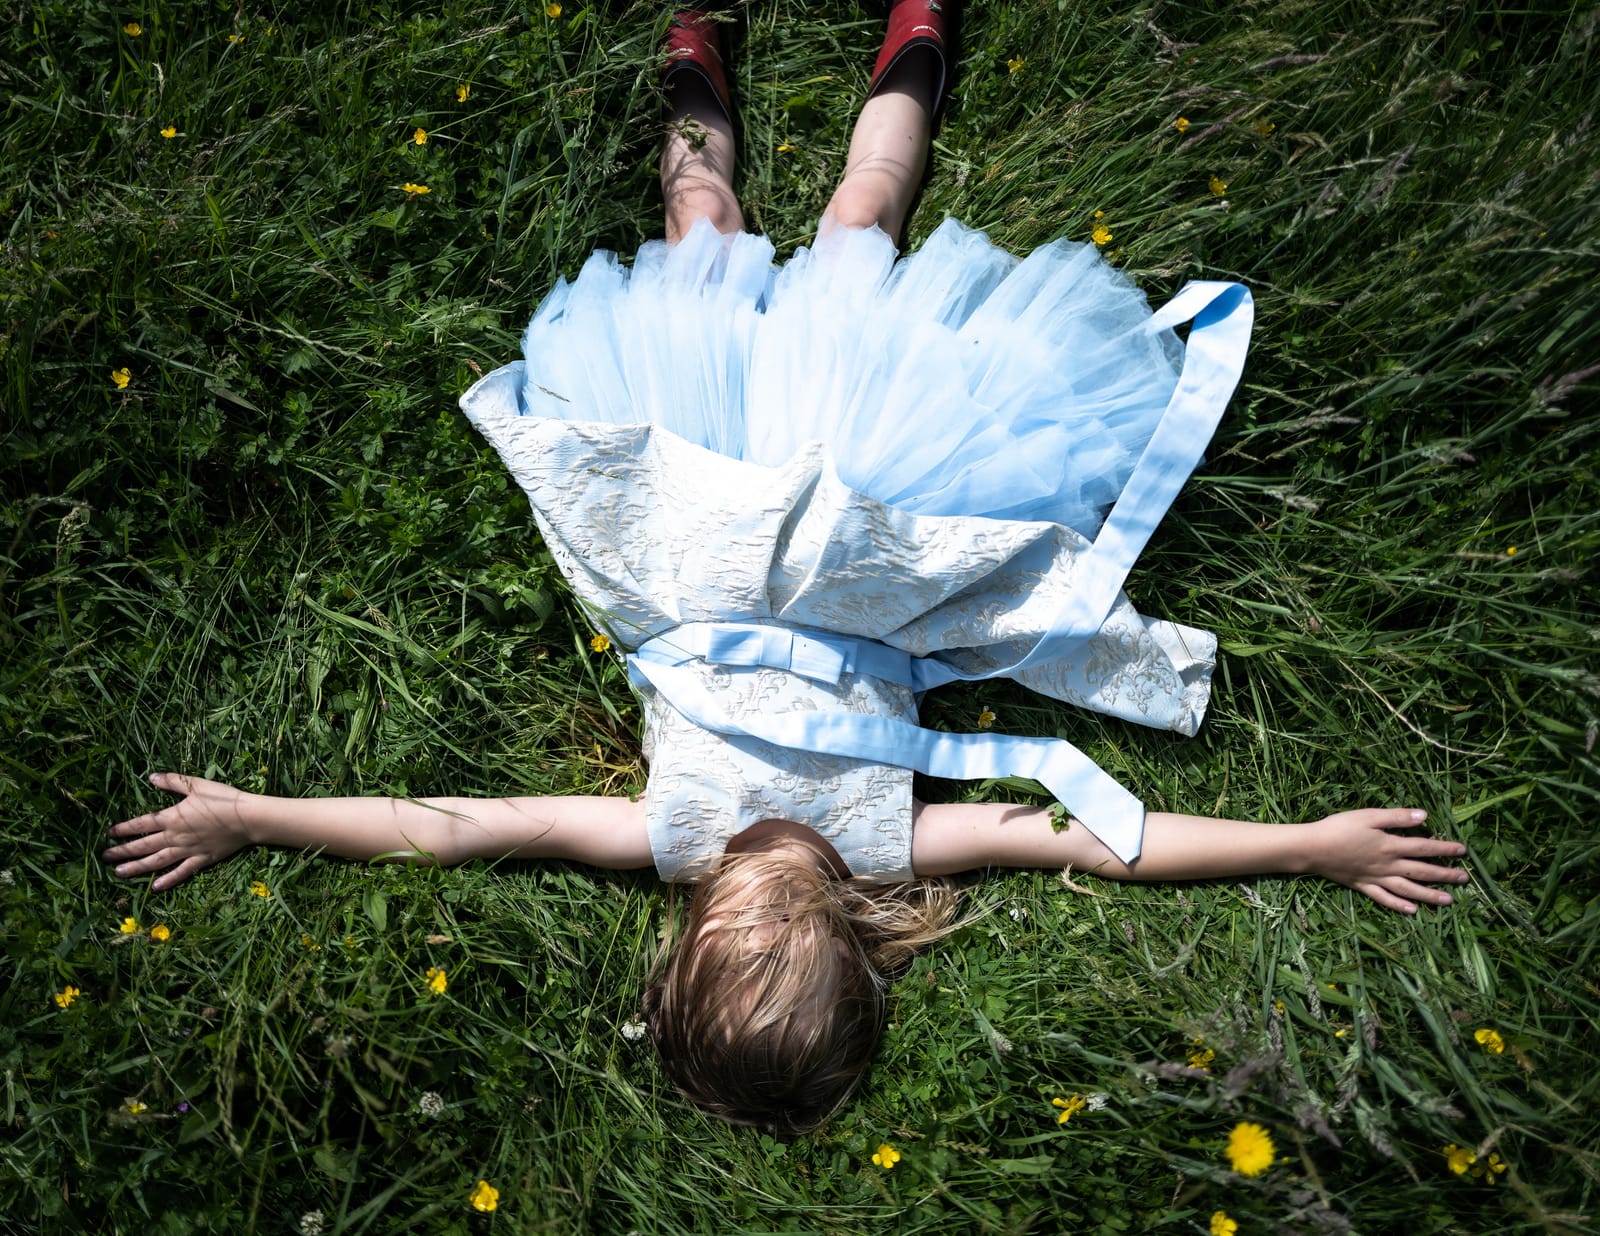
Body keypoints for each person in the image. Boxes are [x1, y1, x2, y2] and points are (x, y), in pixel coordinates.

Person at [103, 1, 1471, 1136]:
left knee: (703, 233)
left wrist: (261, 815)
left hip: (696, 509)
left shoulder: (668, 841)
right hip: (852, 509)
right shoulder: (883, 844)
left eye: (731, 926)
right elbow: (1109, 850)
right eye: (799, 918)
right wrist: (1313, 847)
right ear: (857, 941)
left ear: (688, 942)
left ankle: (695, 79)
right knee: (858, 226)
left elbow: (452, 824)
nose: (770, 871)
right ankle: (912, 49)